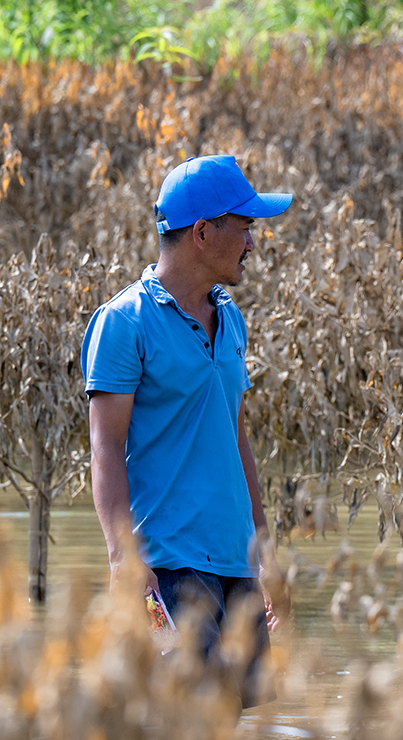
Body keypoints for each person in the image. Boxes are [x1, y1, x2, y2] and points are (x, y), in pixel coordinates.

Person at [81, 154, 292, 708]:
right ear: (203, 232)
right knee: (185, 730)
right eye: (244, 228)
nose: (252, 244)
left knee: (240, 733)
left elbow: (236, 435)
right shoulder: (123, 323)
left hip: (235, 560)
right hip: (170, 566)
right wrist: (123, 556)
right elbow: (106, 447)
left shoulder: (232, 318)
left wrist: (264, 551)